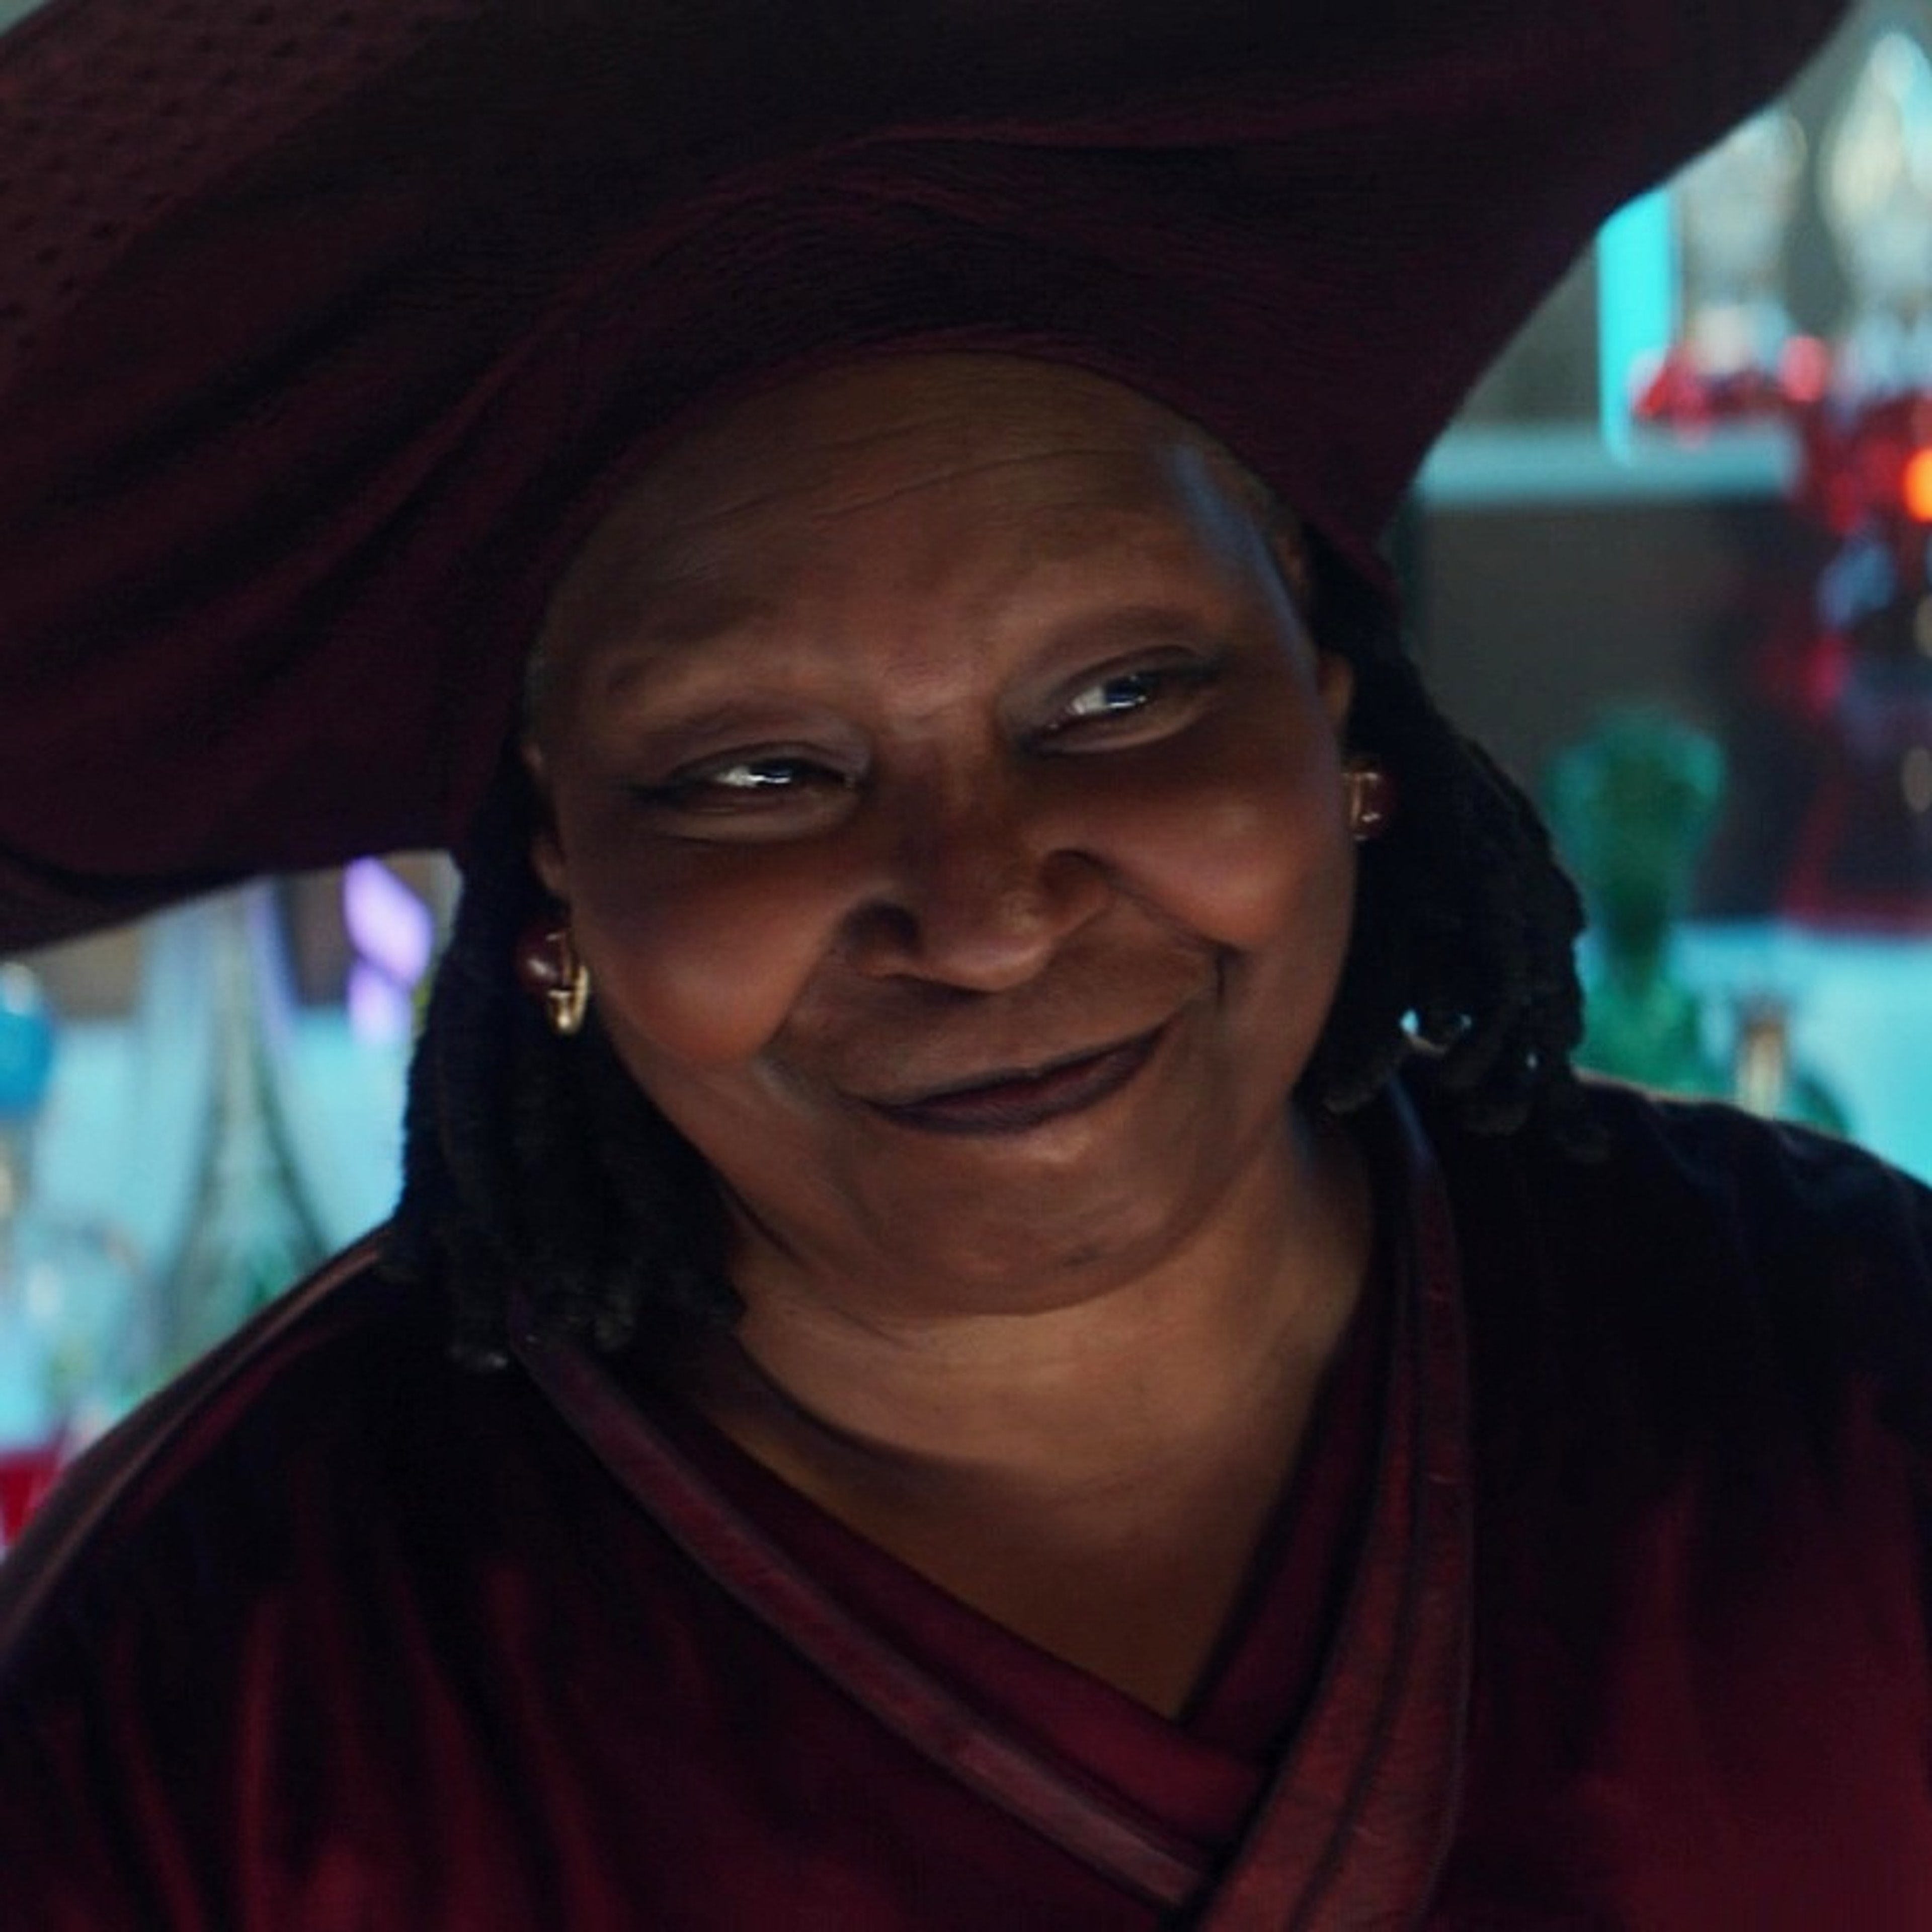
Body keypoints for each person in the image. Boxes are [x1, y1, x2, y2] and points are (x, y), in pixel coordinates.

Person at [5, 0, 1927, 1925]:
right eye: (755, 777)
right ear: (556, 871)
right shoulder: (211, 1706)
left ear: (1336, 713)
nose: (986, 915)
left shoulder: (1844, 1395)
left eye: (1118, 696)